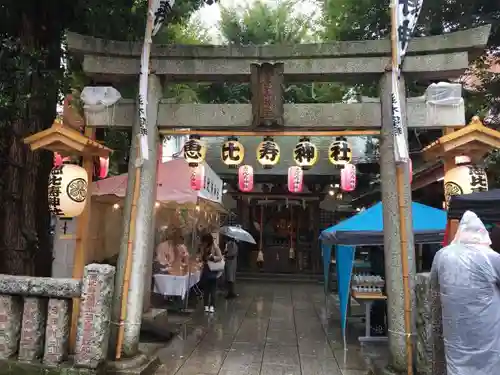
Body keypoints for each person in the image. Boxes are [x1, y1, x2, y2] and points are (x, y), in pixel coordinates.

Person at [430, 211, 500, 375]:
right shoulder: (491, 257)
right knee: (489, 364)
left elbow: (433, 285)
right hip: (486, 326)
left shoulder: (442, 255)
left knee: (456, 362)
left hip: (454, 325)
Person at [200, 233, 223, 313]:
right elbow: (202, 257)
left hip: (213, 269)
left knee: (213, 289)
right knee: (206, 289)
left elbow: (220, 257)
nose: (204, 243)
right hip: (206, 269)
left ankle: (212, 305)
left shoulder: (215, 247)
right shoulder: (203, 247)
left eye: (205, 241)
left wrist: (212, 257)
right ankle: (206, 305)